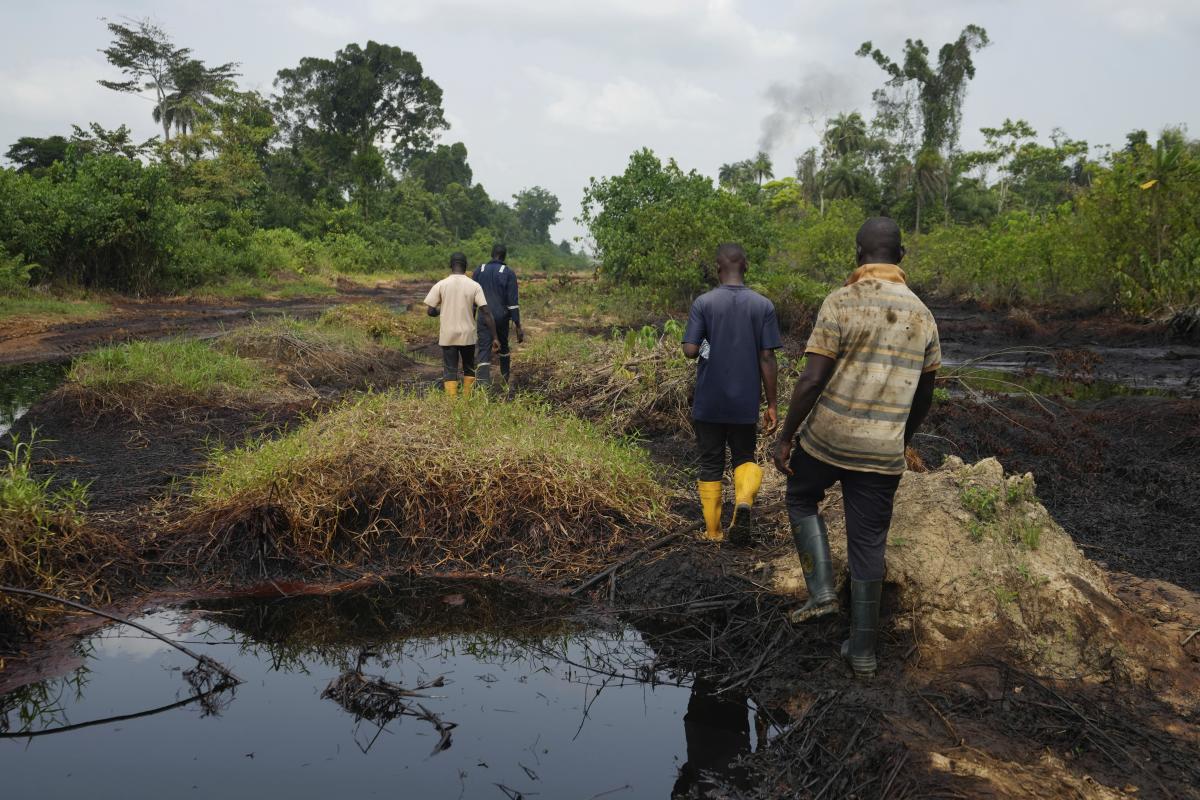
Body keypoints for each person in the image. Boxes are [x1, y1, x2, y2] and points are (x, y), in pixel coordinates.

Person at [772, 217, 940, 679]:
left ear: (858, 255)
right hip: (881, 450)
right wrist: (901, 441)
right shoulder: (923, 315)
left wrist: (786, 437)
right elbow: (925, 396)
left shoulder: (840, 302)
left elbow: (811, 380)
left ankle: (821, 591)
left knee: (802, 496)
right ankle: (863, 652)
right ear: (901, 257)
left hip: (827, 439)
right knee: (869, 543)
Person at [682, 243, 781, 544]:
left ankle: (713, 532)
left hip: (709, 401)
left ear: (717, 269)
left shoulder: (704, 303)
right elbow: (767, 358)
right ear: (746, 267)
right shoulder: (763, 305)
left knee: (711, 461)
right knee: (743, 457)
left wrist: (711, 346)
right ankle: (743, 504)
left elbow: (690, 351)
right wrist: (773, 404)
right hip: (744, 401)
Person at [424, 252, 499, 397]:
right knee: (469, 368)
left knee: (450, 369)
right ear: (466, 267)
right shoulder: (474, 286)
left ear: (450, 265)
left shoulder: (441, 284)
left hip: (448, 335)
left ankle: (452, 403)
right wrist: (495, 337)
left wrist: (442, 309)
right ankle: (466, 401)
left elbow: (430, 311)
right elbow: (486, 312)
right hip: (467, 336)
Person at [472, 243, 524, 387]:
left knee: (483, 348)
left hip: (483, 317)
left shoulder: (479, 270)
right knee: (503, 347)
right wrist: (518, 325)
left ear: (491, 254)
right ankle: (505, 381)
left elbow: (473, 298)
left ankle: (483, 385)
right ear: (504, 256)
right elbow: (513, 302)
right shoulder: (508, 272)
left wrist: (471, 316)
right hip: (501, 317)